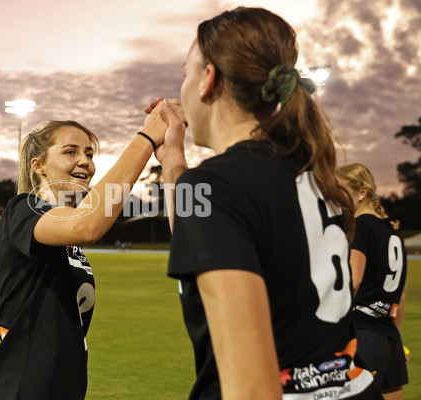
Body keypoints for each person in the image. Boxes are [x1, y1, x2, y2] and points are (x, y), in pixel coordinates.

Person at [149, 6, 383, 399]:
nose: (183, 87)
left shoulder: (219, 186)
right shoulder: (314, 172)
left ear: (208, 80)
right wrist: (173, 157)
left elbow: (253, 389)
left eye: (185, 72)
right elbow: (202, 232)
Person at [0, 107, 168, 399]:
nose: (85, 161)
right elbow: (88, 224)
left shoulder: (64, 232)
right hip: (22, 389)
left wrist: (172, 158)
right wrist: (146, 139)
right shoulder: (23, 209)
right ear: (38, 165)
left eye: (90, 154)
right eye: (70, 152)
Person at [338, 163, 408, 400]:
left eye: (341, 192)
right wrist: (395, 341)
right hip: (388, 338)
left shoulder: (359, 227)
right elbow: (402, 295)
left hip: (363, 335)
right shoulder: (392, 232)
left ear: (362, 192)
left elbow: (353, 282)